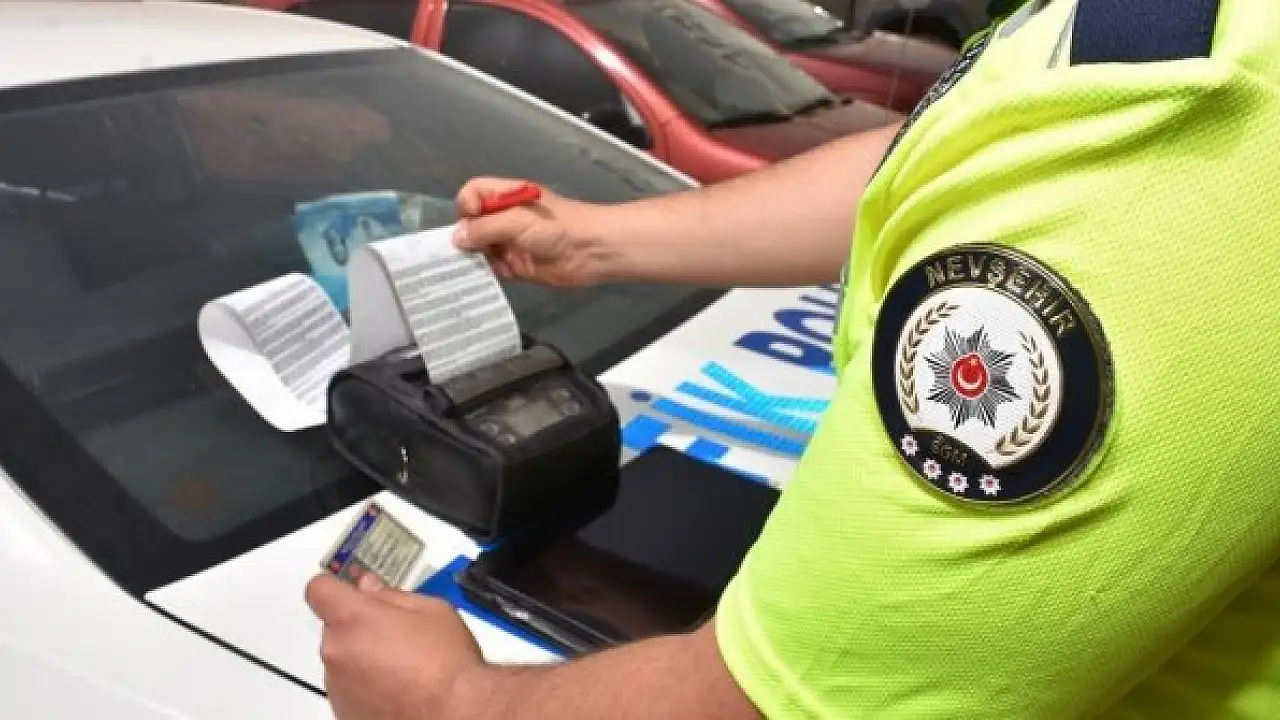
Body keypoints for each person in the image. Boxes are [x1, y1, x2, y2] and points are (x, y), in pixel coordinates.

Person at [304, 0, 1280, 717]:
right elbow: (929, 154)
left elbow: (793, 706)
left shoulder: (1167, 129)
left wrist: (448, 700)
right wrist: (597, 241)